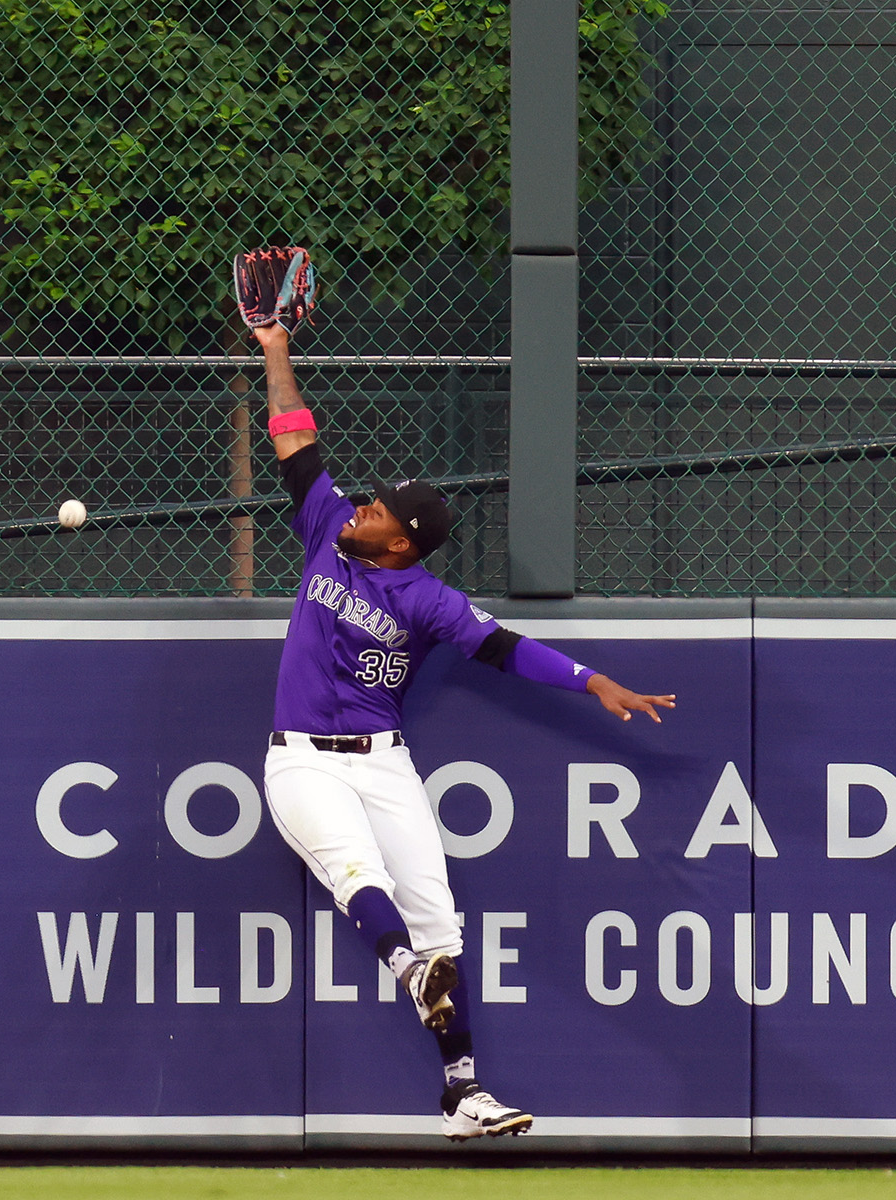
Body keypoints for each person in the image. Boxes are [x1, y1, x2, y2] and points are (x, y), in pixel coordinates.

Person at [253, 321, 676, 1141]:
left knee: (440, 921)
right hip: (300, 762)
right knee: (353, 870)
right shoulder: (325, 532)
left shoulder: (425, 600)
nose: (361, 506)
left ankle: (462, 1095)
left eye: (377, 510)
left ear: (402, 543)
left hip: (382, 764)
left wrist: (594, 682)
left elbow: (506, 649)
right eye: (367, 500)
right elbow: (294, 437)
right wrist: (275, 348)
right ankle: (405, 968)